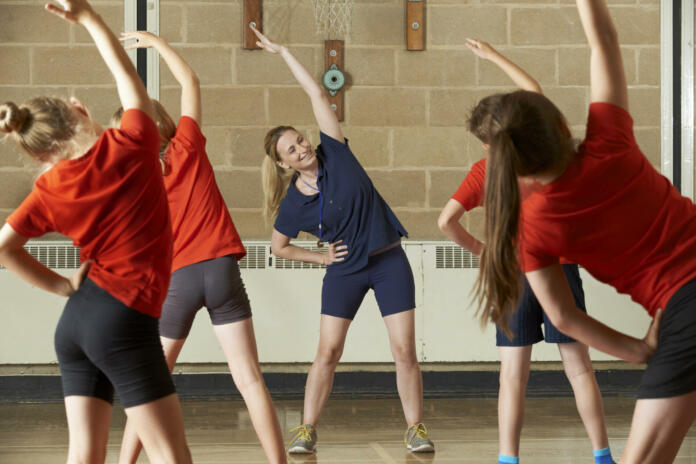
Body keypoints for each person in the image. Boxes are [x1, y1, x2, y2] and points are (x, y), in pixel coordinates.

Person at [472, 0, 695, 462]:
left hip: (685, 309)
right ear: (561, 123)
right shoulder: (609, 139)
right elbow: (604, 39)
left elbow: (565, 317)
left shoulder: (533, 228)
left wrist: (636, 349)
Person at [0, 1, 192, 462]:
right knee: (171, 456)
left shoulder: (47, 189)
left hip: (78, 323)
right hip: (122, 319)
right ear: (79, 108)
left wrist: (64, 285)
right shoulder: (132, 143)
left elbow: (4, 247)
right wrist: (87, 17)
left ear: (41, 155)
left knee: (85, 455)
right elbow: (127, 78)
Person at [251, 25, 435, 454]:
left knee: (404, 348)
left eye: (299, 140)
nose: (301, 148)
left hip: (389, 261)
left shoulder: (335, 150)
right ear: (283, 165)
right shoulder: (293, 205)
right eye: (292, 151)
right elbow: (278, 247)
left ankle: (416, 428)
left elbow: (317, 94)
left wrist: (283, 52)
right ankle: (306, 430)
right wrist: (320, 260)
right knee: (328, 351)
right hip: (344, 271)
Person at [111, 31, 286, 464]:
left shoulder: (133, 183)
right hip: (222, 271)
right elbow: (190, 81)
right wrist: (156, 42)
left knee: (149, 384)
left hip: (179, 280)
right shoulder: (188, 146)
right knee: (249, 380)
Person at [438, 39, 615, 464]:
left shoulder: (484, 170)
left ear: (486, 144)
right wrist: (494, 55)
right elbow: (535, 92)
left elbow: (446, 221)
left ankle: (508, 459)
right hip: (559, 271)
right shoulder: (544, 158)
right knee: (580, 370)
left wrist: (482, 250)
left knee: (512, 377)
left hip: (513, 275)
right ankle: (603, 456)